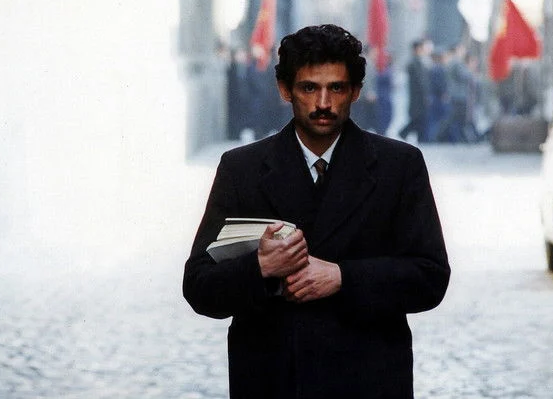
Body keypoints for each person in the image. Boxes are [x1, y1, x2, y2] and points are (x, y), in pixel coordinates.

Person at [183, 24, 450, 399]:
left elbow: (431, 277)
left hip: (367, 382)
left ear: (355, 91)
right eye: (309, 88)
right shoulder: (241, 169)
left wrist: (343, 277)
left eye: (336, 88)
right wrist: (261, 268)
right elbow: (198, 286)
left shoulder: (399, 166)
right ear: (285, 90)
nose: (323, 103)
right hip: (274, 382)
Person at [398, 39, 431, 142]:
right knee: (418, 118)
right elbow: (421, 82)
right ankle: (404, 133)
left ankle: (408, 134)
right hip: (417, 97)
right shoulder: (414, 63)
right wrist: (426, 95)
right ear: (417, 49)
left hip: (418, 97)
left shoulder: (418, 62)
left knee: (419, 119)